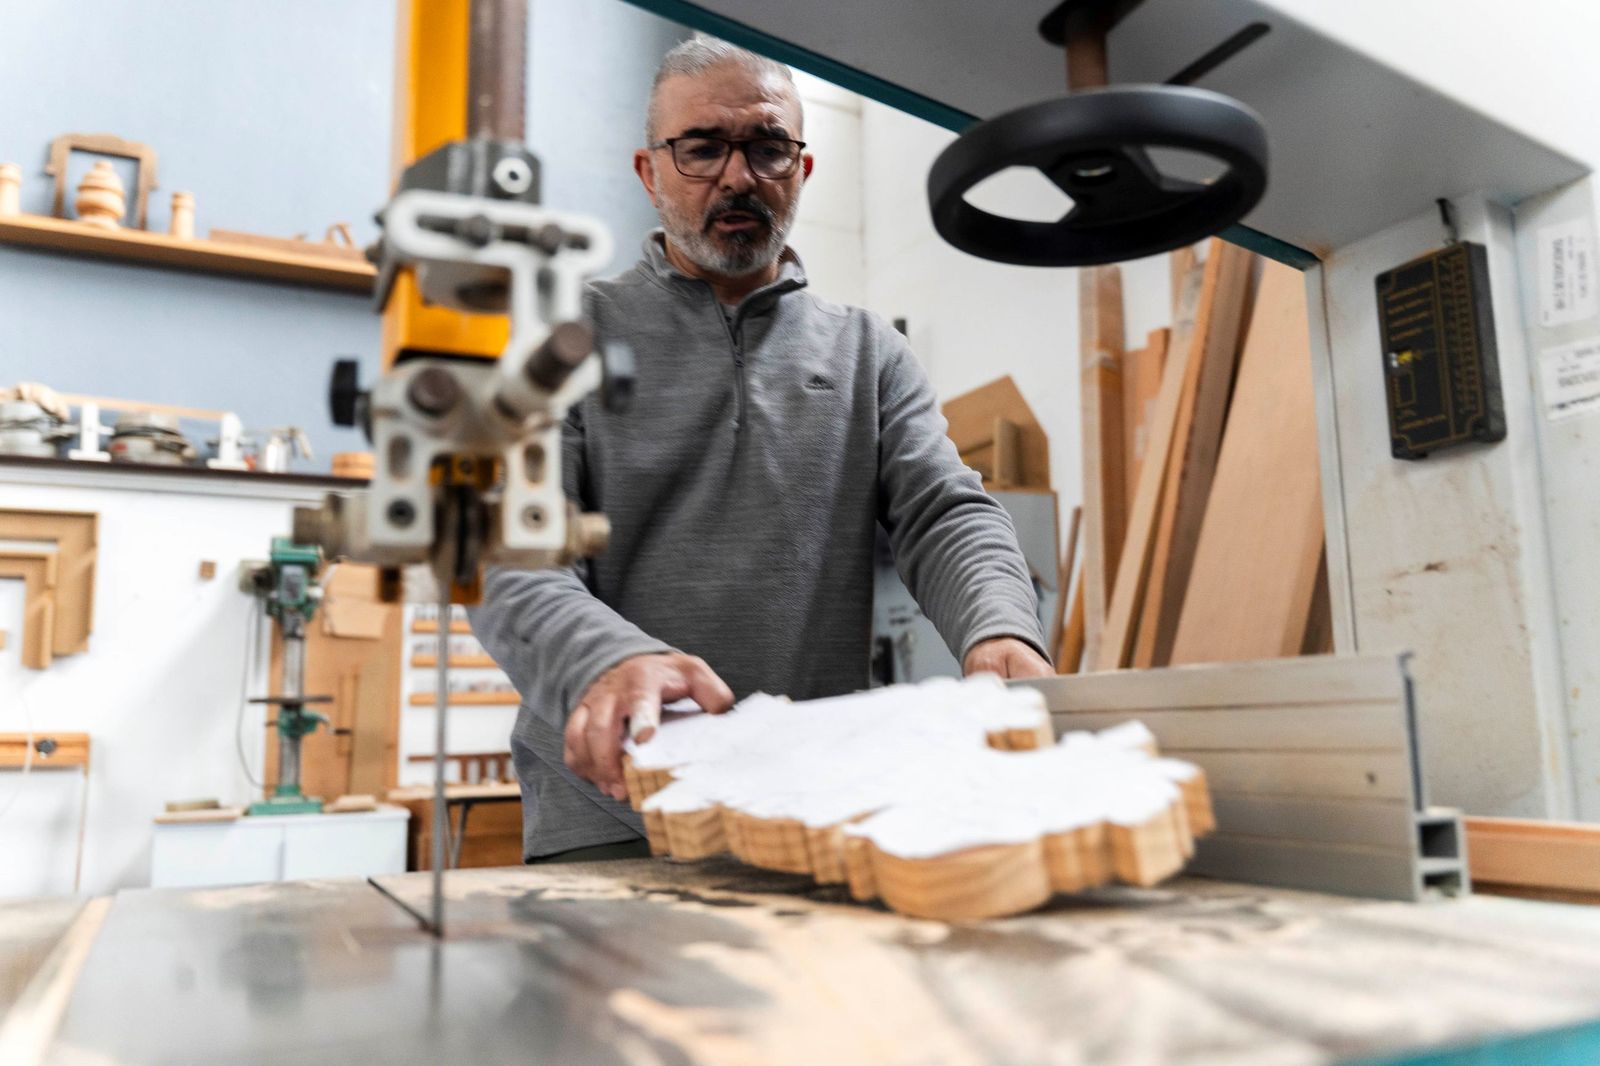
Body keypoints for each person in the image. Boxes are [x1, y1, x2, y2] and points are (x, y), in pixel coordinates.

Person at [472, 36, 1053, 863]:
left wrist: (1000, 628)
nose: (738, 176)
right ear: (649, 172)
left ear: (802, 170)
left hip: (813, 807)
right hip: (613, 811)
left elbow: (946, 512)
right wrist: (608, 660)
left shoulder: (869, 353)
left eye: (768, 147)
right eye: (702, 148)